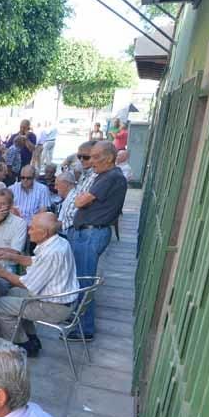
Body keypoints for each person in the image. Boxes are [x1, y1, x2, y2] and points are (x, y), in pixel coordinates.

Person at [0, 212, 79, 356]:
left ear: (44, 233)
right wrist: (13, 257)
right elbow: (37, 261)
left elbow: (26, 284)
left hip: (56, 307)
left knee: (0, 305)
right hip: (62, 299)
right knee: (11, 293)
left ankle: (22, 346)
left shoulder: (52, 252)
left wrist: (1, 272)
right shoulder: (59, 241)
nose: (28, 231)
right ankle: (31, 338)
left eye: (31, 228)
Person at [69, 141, 127, 339]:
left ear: (109, 158)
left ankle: (84, 329)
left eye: (94, 157)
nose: (91, 161)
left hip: (92, 234)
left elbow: (80, 201)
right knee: (81, 280)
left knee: (85, 282)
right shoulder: (105, 175)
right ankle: (78, 320)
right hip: (88, 233)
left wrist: (80, 199)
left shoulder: (110, 176)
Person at [58, 141, 98, 232]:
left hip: (78, 228)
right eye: (79, 157)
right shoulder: (85, 174)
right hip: (68, 225)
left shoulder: (96, 176)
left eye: (86, 157)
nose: (82, 160)